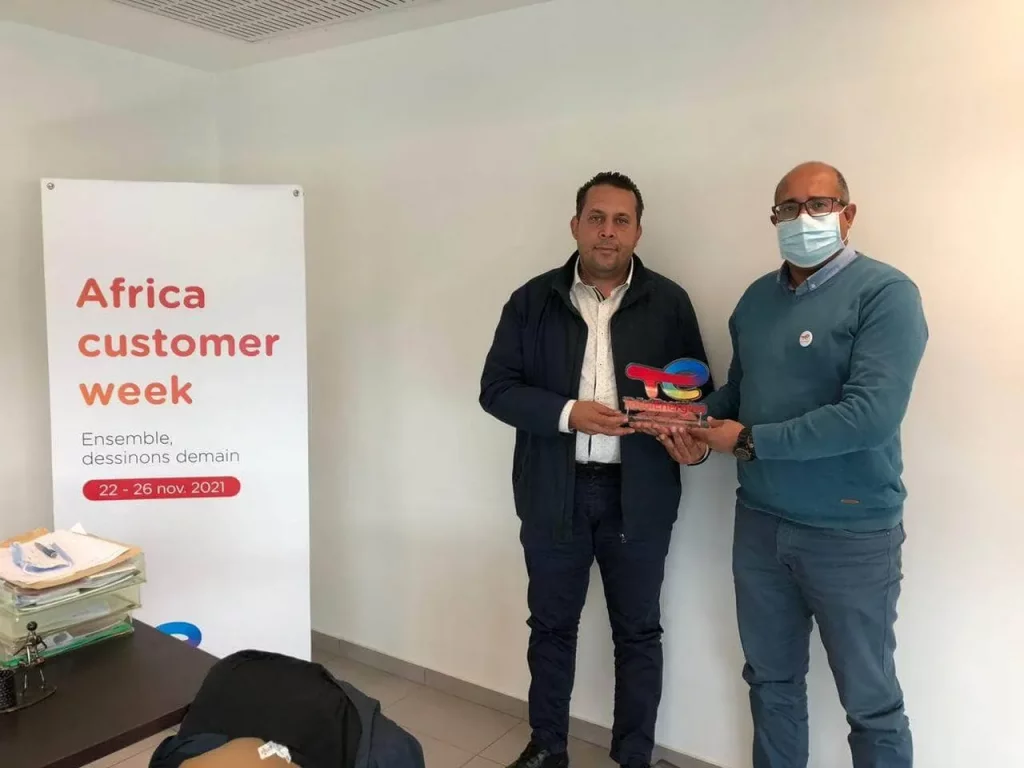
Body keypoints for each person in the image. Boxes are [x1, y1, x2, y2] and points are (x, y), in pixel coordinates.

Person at [679, 161, 927, 768]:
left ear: (848, 214)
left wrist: (748, 442)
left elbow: (870, 416)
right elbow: (741, 393)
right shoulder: (756, 300)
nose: (802, 218)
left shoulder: (887, 294)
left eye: (818, 204)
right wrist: (688, 421)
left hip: (851, 533)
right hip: (760, 523)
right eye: (788, 208)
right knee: (771, 684)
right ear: (774, 219)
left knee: (871, 704)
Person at [479, 171, 712, 768]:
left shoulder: (670, 302)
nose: (608, 231)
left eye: (621, 220)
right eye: (597, 218)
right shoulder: (531, 300)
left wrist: (694, 443)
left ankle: (633, 756)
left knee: (638, 633)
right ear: (576, 225)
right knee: (551, 627)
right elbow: (496, 389)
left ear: (637, 231)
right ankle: (547, 748)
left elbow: (694, 395)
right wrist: (567, 413)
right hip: (553, 492)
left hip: (640, 496)